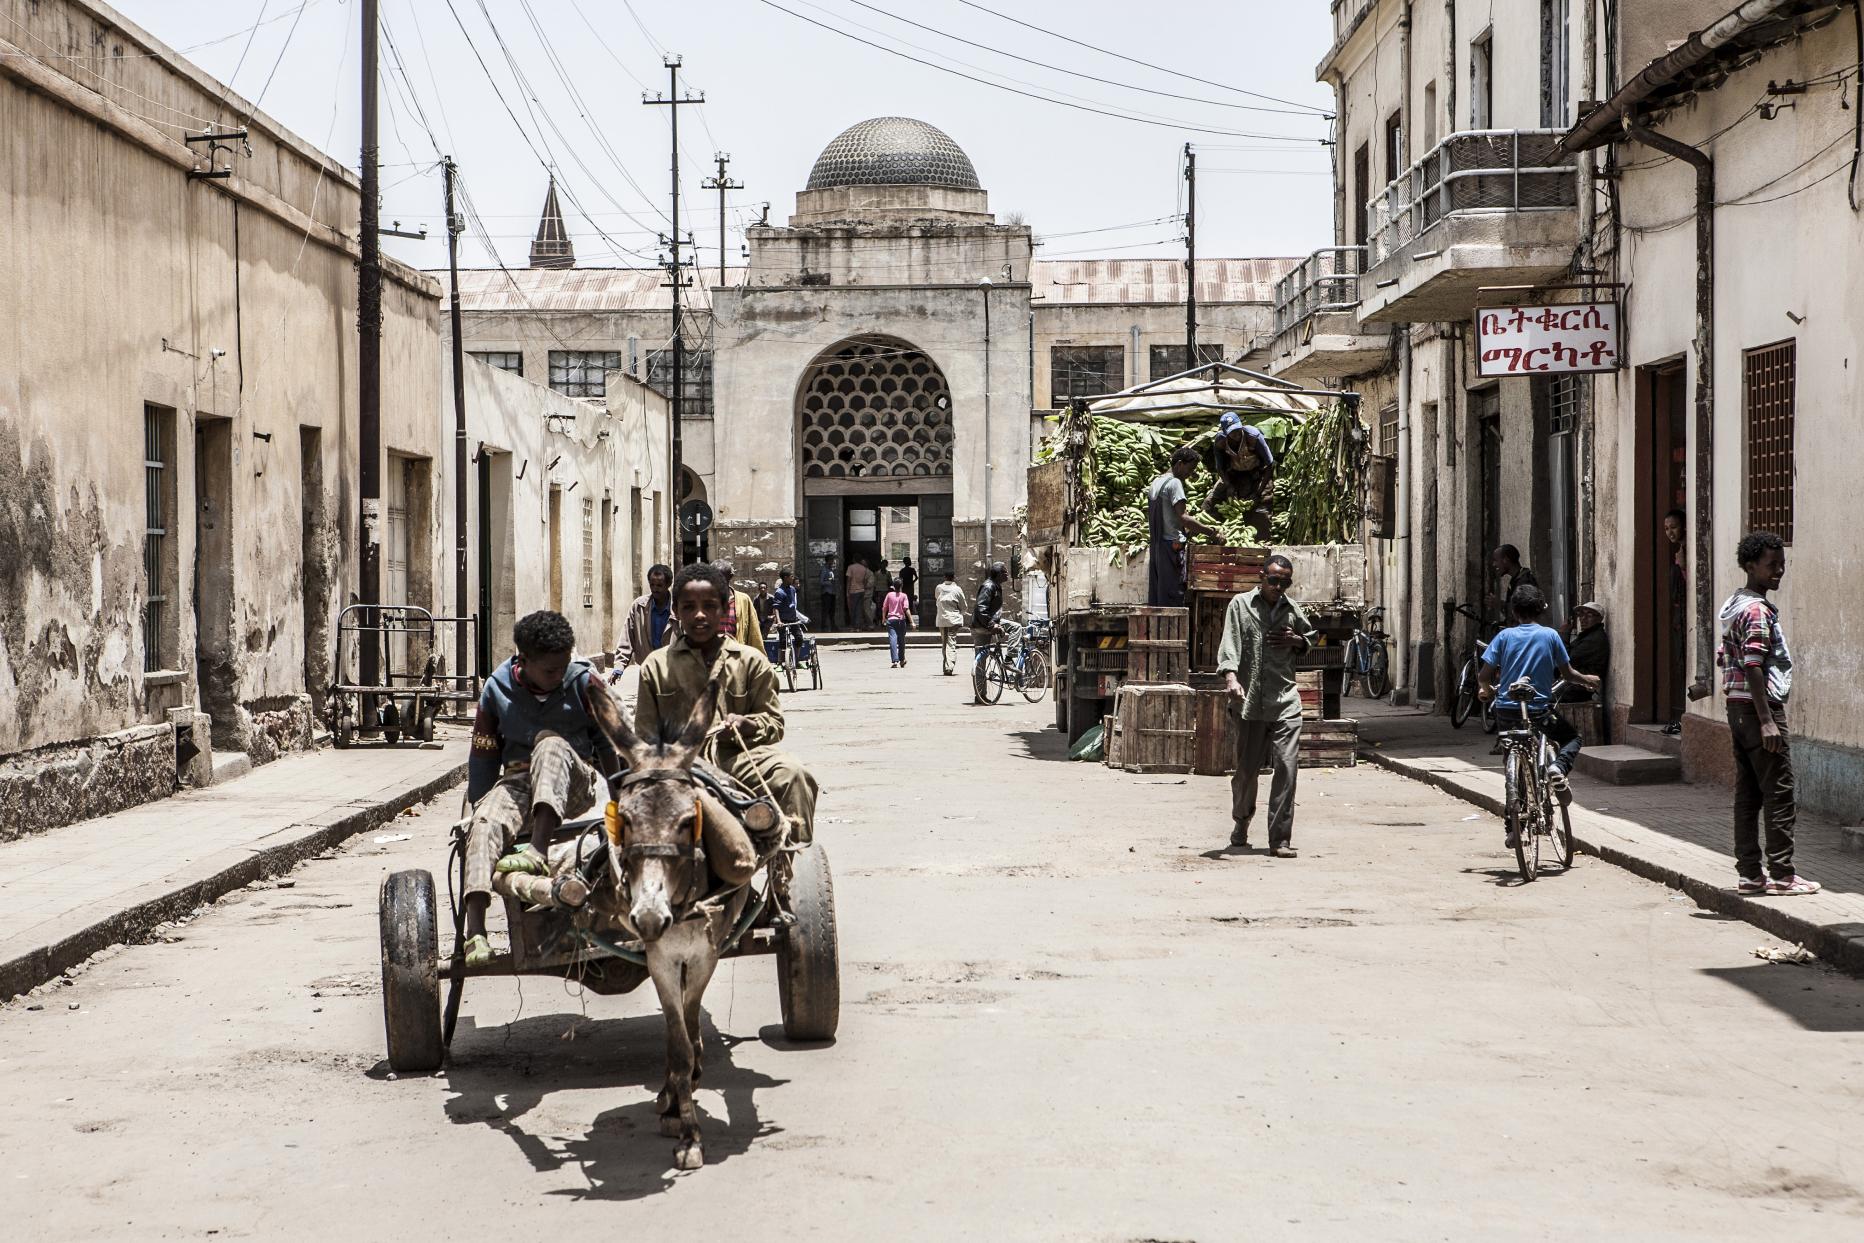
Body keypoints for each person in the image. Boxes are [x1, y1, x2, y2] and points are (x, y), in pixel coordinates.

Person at [459, 610, 614, 968]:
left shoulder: (584, 682)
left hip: (576, 779)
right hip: (519, 781)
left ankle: (538, 850)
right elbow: (483, 756)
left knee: (550, 744)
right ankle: (476, 933)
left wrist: (623, 796)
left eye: (562, 668)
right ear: (523, 661)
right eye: (549, 671)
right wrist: (478, 806)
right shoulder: (496, 689)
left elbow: (608, 745)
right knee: (483, 824)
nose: (558, 676)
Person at [636, 563, 819, 845]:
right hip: (679, 767)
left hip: (737, 760)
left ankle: (788, 867)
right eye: (689, 607)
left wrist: (748, 725)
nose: (699, 615)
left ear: (723, 609)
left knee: (793, 774)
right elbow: (645, 736)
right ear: (677, 612)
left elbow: (774, 724)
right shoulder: (656, 666)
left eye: (709, 606)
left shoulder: (750, 661)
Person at [1718, 532, 1819, 896]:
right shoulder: (1757, 610)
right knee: (1779, 791)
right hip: (1757, 708)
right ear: (1749, 566)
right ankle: (1782, 874)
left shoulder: (1735, 604)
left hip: (1737, 707)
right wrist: (1766, 720)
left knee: (1748, 794)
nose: (1778, 571)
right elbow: (1754, 664)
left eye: (1782, 565)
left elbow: (1731, 657)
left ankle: (1749, 874)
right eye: (1771, 565)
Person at [1478, 586, 1601, 844]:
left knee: (1513, 759)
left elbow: (1484, 676)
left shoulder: (1504, 637)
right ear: (1542, 609)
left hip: (1507, 711)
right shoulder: (1550, 636)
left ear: (1513, 611)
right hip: (1539, 710)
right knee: (1571, 738)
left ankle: (1513, 829)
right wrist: (1588, 680)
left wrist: (1487, 691)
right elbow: (1567, 674)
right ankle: (1557, 767)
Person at [1216, 554, 1315, 858]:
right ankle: (1241, 822)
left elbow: (1309, 637)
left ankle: (1280, 839)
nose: (1278, 586)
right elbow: (1230, 645)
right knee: (1247, 772)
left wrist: (1297, 640)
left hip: (1285, 700)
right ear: (1262, 577)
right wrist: (1231, 678)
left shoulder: (1291, 609)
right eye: (1273, 580)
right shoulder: (1241, 605)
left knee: (1287, 767)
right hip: (1250, 703)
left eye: (1284, 582)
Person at [1147, 445, 1220, 607]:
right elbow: (1184, 518)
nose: (1191, 473)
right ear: (1179, 464)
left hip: (1157, 548)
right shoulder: (1174, 483)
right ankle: (1172, 632)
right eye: (1190, 468)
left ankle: (1160, 631)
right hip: (1172, 548)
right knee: (1173, 597)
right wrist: (1212, 532)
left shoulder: (1156, 482)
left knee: (1160, 597)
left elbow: (1166, 517)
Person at [1202, 411, 1277, 534]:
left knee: (1261, 508)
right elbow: (1220, 468)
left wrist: (1258, 491)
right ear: (1225, 432)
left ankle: (1260, 541)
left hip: (1258, 473)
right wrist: (1229, 485)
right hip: (1234, 474)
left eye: (1238, 429)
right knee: (1211, 502)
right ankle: (1211, 532)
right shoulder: (1220, 442)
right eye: (1232, 432)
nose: (1236, 434)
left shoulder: (1254, 436)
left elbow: (1269, 465)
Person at [612, 563, 674, 676]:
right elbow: (627, 637)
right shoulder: (638, 606)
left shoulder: (678, 608)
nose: (655, 589)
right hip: (648, 668)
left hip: (673, 669)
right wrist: (619, 666)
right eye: (652, 585)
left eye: (659, 585)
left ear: (668, 584)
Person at [970, 562, 1007, 704]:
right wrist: (992, 625)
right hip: (982, 626)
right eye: (1004, 572)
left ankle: (1009, 660)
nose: (1007, 574)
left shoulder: (996, 586)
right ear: (998, 574)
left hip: (989, 623)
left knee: (1015, 628)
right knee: (981, 662)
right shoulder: (988, 586)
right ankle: (980, 695)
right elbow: (981, 608)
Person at [1663, 508, 1686, 734]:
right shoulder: (1679, 550)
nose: (1670, 532)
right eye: (1666, 529)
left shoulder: (1686, 551)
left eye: (1674, 527)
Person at [714, 560, 765, 655]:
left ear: (730, 577)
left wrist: (760, 660)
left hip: (737, 658)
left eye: (721, 578)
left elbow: (754, 634)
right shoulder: (704, 601)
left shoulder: (744, 600)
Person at [1487, 544, 1539, 624]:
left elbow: (1522, 616)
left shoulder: (1524, 582)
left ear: (1506, 560)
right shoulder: (1517, 579)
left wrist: (1499, 604)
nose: (1494, 564)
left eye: (1496, 560)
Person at [1563, 600, 1610, 688]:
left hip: (1579, 688)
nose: (1583, 618)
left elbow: (1565, 660)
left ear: (1599, 618)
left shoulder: (1593, 639)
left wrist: (1564, 634)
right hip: (1572, 684)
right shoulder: (1587, 635)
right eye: (1581, 614)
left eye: (1589, 615)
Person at [934, 570, 969, 676]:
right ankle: (949, 666)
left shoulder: (939, 588)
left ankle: (946, 666)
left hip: (942, 619)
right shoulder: (957, 589)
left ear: (944, 577)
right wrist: (960, 613)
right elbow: (964, 606)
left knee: (945, 642)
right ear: (954, 577)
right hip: (953, 619)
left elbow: (937, 598)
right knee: (950, 643)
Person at [882, 579, 913, 668]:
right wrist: (912, 622)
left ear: (893, 586)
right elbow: (906, 609)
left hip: (891, 620)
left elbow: (884, 607)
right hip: (901, 620)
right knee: (901, 640)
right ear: (901, 586)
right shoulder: (904, 596)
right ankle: (902, 660)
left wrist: (883, 618)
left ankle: (895, 661)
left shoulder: (889, 595)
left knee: (893, 640)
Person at [846, 557, 872, 630]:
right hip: (861, 591)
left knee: (852, 609)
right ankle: (858, 627)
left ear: (853, 559)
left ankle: (853, 626)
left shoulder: (850, 567)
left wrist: (847, 591)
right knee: (859, 609)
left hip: (853, 591)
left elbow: (849, 580)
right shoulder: (864, 569)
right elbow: (865, 581)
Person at [818, 556, 838, 632]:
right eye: (832, 560)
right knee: (825, 611)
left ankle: (833, 627)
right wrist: (829, 582)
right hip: (826, 593)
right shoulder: (824, 569)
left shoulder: (831, 570)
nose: (833, 562)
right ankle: (823, 627)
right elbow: (821, 581)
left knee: (832, 611)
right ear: (828, 561)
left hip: (832, 592)